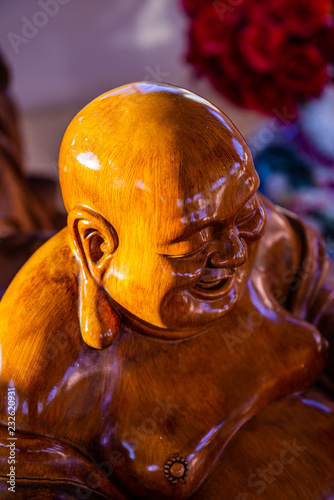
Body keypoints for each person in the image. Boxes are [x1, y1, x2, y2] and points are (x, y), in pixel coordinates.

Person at [0, 83, 333, 499]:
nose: (234, 252)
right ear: (98, 245)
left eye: (246, 211)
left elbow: (325, 302)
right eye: (193, 242)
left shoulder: (265, 236)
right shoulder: (32, 376)